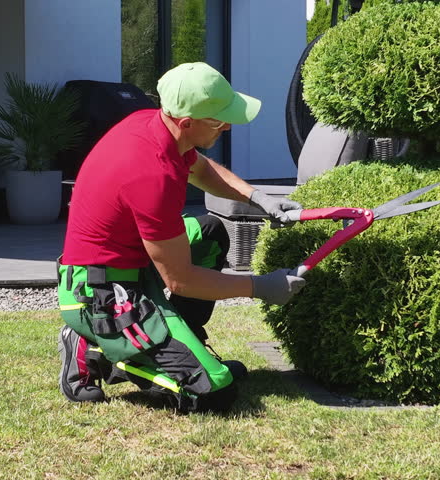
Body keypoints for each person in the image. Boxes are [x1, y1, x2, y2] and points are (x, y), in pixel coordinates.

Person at [56, 62, 307, 413]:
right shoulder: (151, 175)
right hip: (102, 291)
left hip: (134, 259)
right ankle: (97, 345)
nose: (227, 126)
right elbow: (181, 280)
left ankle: (185, 344)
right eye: (219, 121)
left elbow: (199, 167)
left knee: (211, 233)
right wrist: (261, 286)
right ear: (187, 122)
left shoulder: (154, 124)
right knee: (213, 391)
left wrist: (257, 197)